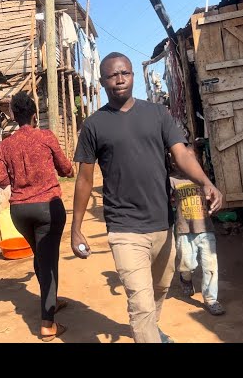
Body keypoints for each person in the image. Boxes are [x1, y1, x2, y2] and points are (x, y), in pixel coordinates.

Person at [70, 51, 223, 343]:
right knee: (140, 306)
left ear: (133, 76)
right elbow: (85, 179)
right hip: (124, 228)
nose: (120, 79)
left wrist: (205, 182)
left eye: (125, 73)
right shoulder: (94, 125)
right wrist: (76, 227)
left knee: (160, 289)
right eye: (113, 75)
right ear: (102, 82)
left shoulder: (157, 114)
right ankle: (149, 333)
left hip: (162, 224)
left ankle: (153, 331)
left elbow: (181, 154)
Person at [0, 91, 74, 341]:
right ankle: (47, 324)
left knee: (41, 256)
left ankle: (52, 301)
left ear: (14, 115)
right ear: (35, 114)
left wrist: (17, 179)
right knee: (48, 262)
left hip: (20, 211)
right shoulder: (45, 136)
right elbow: (66, 169)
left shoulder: (6, 144)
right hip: (47, 208)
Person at [170, 147, 225, 316]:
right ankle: (185, 277)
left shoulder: (204, 180)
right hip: (184, 230)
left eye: (193, 159)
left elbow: (214, 198)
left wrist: (213, 203)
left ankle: (211, 299)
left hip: (205, 230)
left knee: (210, 266)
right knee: (187, 263)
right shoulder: (172, 181)